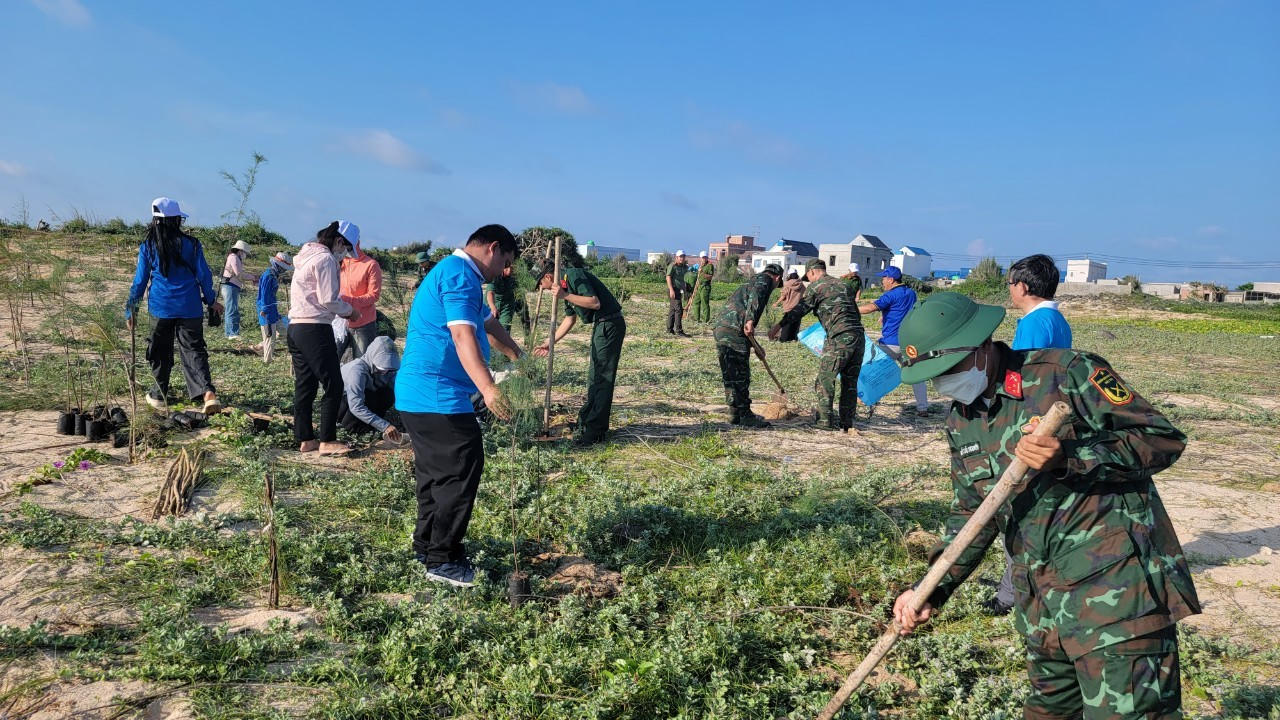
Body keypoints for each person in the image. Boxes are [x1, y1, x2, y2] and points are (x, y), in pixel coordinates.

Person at [891, 291, 1199, 720]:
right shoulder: (963, 420)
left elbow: (1162, 440)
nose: (944, 383)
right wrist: (932, 589)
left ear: (981, 348)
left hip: (1117, 593)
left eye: (949, 369)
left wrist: (1069, 457)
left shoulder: (1067, 373)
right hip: (1043, 606)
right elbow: (972, 512)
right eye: (933, 375)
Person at [396, 224, 525, 588]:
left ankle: (426, 545)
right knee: (462, 466)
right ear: (493, 249)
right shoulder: (459, 276)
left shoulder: (457, 275)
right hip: (436, 395)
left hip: (418, 395)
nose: (504, 271)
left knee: (436, 474)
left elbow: (486, 323)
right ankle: (443, 559)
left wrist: (518, 355)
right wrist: (488, 388)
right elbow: (462, 333)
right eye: (506, 262)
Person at [986, 253, 1076, 616]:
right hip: (1051, 418)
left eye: (1010, 284)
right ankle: (1016, 586)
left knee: (1017, 507)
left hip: (1032, 423)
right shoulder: (1057, 319)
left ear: (1022, 286)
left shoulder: (1035, 323)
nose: (1009, 290)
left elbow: (1024, 378)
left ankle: (1011, 595)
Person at [124, 197, 222, 415]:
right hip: (190, 307)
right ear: (177, 220)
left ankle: (159, 394)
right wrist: (211, 300)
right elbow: (204, 275)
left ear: (155, 220)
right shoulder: (193, 245)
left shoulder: (148, 246)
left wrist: (131, 308)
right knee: (194, 350)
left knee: (160, 352)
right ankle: (208, 394)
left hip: (161, 307)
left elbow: (139, 282)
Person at [532, 259, 626, 446]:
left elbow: (594, 302)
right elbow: (570, 319)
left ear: (548, 277)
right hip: (602, 327)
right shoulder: (564, 285)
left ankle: (595, 431)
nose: (542, 288)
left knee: (602, 379)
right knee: (594, 377)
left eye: (541, 284)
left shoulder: (573, 275)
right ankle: (585, 421)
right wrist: (549, 342)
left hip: (609, 324)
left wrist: (565, 295)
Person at [288, 222, 357, 456]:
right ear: (339, 242)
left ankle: (305, 438)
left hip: (296, 327)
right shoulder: (326, 259)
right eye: (346, 249)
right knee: (333, 383)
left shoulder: (305, 257)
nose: (344, 255)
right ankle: (327, 440)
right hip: (315, 327)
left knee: (305, 384)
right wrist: (350, 311)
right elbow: (328, 299)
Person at [771, 259, 865, 429]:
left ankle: (824, 421)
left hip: (839, 336)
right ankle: (847, 422)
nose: (809, 280)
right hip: (858, 336)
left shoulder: (817, 287)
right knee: (849, 383)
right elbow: (855, 312)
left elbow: (799, 310)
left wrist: (778, 326)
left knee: (825, 379)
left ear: (812, 272)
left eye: (809, 277)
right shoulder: (843, 285)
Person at [713, 263, 784, 427]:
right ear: (777, 278)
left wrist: (756, 346)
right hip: (735, 328)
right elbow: (756, 297)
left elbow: (746, 330)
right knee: (740, 373)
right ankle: (745, 415)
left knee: (730, 372)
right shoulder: (764, 280)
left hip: (723, 327)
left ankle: (735, 413)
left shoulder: (750, 281)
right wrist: (751, 319)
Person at [859, 266, 929, 416]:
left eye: (883, 279)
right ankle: (923, 408)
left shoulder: (890, 295)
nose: (882, 282)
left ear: (891, 280)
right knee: (916, 374)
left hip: (890, 343)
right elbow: (905, 311)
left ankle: (862, 399)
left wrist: (850, 308)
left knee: (871, 371)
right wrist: (885, 315)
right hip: (909, 343)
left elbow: (871, 308)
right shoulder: (911, 293)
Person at [338, 335, 401, 443]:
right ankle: (357, 428)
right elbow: (356, 407)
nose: (385, 373)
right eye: (381, 369)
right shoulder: (357, 371)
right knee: (369, 397)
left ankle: (372, 424)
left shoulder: (389, 371)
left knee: (388, 394)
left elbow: (398, 392)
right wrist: (384, 426)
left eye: (388, 369)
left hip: (366, 400)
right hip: (344, 405)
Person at [335, 222, 382, 359]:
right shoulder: (339, 262)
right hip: (339, 321)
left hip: (363, 324)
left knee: (361, 363)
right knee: (331, 360)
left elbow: (374, 295)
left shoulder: (370, 265)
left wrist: (349, 301)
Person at [1010, 253, 1072, 351]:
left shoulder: (1033, 322)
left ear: (1022, 287)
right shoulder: (1060, 319)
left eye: (1010, 283)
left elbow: (1028, 364)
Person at [253, 252, 292, 364]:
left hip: (272, 309)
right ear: (278, 265)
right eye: (283, 268)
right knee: (270, 337)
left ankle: (260, 347)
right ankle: (267, 361)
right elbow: (264, 294)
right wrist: (264, 310)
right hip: (266, 310)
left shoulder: (273, 275)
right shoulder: (268, 275)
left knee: (283, 331)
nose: (284, 270)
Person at [220, 240, 253, 340]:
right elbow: (239, 274)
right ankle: (232, 333)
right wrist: (253, 277)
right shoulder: (234, 257)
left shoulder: (234, 257)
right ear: (240, 251)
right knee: (232, 309)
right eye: (245, 252)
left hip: (231, 285)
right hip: (230, 286)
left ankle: (229, 333)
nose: (245, 255)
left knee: (231, 309)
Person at [483, 264, 519, 332]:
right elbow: (490, 293)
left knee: (504, 329)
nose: (510, 270)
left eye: (512, 267)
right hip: (492, 302)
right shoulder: (495, 274)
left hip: (507, 305)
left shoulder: (516, 276)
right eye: (507, 268)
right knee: (488, 329)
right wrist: (492, 307)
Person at [771, 271, 805, 342]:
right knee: (796, 323)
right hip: (798, 307)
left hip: (789, 307)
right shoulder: (801, 284)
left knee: (786, 324)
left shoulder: (787, 284)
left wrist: (776, 303)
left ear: (789, 276)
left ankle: (784, 339)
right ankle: (794, 338)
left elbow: (783, 296)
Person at [666, 250, 690, 337]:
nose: (682, 258)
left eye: (683, 256)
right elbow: (668, 277)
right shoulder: (672, 266)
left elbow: (684, 278)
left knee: (673, 310)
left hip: (679, 290)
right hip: (673, 289)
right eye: (680, 256)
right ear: (676, 257)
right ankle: (679, 331)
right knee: (679, 309)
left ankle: (669, 329)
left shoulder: (684, 267)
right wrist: (671, 290)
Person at [691, 250, 715, 323]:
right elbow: (698, 277)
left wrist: (702, 272)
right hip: (699, 286)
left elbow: (710, 276)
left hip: (705, 287)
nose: (703, 259)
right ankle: (697, 319)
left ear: (707, 258)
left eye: (705, 257)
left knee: (705, 303)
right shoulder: (700, 265)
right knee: (696, 302)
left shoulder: (710, 265)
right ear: (700, 258)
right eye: (702, 258)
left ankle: (706, 320)